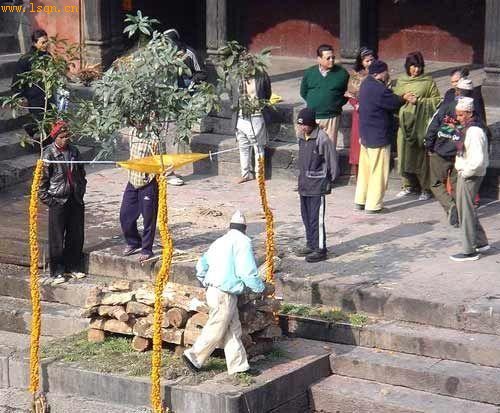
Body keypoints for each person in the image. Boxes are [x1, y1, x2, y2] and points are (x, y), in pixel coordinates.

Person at [183, 211, 264, 376]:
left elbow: (202, 265)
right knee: (217, 327)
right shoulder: (243, 242)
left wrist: (204, 280)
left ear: (230, 227)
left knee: (233, 329)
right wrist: (259, 288)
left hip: (215, 290)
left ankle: (239, 366)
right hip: (224, 293)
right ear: (245, 228)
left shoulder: (219, 241)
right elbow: (247, 272)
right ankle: (193, 356)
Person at [425, 77, 487, 226]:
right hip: (459, 154)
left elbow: (432, 127)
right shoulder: (474, 111)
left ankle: (451, 206)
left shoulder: (447, 106)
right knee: (455, 186)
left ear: (457, 91)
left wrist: (429, 145)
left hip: (441, 151)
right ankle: (459, 215)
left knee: (435, 183)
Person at [355, 60, 407, 213]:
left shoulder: (365, 84)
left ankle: (361, 200)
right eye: (386, 72)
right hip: (378, 136)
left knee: (365, 172)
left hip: (365, 134)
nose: (387, 74)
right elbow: (393, 102)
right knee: (378, 172)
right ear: (380, 73)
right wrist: (404, 97)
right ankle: (374, 205)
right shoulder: (379, 89)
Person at [39, 121, 87, 285]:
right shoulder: (49, 154)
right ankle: (57, 271)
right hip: (58, 199)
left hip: (75, 198)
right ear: (55, 138)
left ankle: (73, 266)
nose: (66, 139)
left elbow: (81, 173)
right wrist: (49, 200)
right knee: (57, 237)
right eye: (62, 136)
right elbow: (41, 181)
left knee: (76, 234)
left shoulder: (74, 151)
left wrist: (81, 189)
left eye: (67, 136)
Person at [393, 51, 441, 200]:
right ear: (407, 66)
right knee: (404, 156)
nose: (416, 69)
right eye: (413, 66)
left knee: (421, 158)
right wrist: (403, 97)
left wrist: (419, 101)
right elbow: (393, 100)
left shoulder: (428, 82)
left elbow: (437, 100)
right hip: (404, 125)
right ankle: (407, 186)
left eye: (419, 66)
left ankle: (425, 189)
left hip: (420, 126)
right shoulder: (401, 81)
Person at [295, 108, 338, 263]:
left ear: (312, 123)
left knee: (316, 219)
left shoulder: (322, 138)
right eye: (300, 125)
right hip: (304, 185)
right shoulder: (301, 137)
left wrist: (329, 181)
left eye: (305, 125)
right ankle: (311, 244)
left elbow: (332, 161)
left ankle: (320, 249)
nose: (302, 128)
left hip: (317, 185)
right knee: (306, 217)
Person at [449, 97, 489, 262]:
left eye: (461, 115)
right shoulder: (468, 129)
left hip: (470, 175)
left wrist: (465, 173)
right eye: (457, 114)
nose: (458, 118)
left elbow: (477, 160)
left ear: (469, 113)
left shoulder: (474, 132)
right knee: (466, 209)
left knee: (465, 212)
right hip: (468, 173)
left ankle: (469, 250)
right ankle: (481, 242)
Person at [119, 129, 165, 263]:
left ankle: (146, 249)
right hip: (133, 180)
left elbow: (160, 161)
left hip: (148, 182)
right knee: (125, 215)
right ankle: (133, 242)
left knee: (148, 218)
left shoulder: (155, 137)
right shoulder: (133, 132)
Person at [300, 44, 349, 148]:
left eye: (333, 57)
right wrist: (314, 103)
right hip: (313, 116)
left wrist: (336, 104)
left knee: (329, 147)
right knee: (313, 147)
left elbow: (347, 93)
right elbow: (303, 92)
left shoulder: (342, 74)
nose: (332, 60)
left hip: (332, 116)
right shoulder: (310, 73)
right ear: (319, 59)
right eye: (328, 58)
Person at [11, 29, 54, 145]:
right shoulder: (26, 59)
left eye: (47, 41)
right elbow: (17, 81)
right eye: (43, 42)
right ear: (35, 43)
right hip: (34, 97)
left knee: (49, 121)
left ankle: (43, 143)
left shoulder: (48, 56)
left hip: (47, 95)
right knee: (41, 123)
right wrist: (20, 97)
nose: (46, 44)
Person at [234, 68, 272, 183]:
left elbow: (267, 93)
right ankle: (245, 174)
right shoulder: (236, 76)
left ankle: (260, 174)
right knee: (243, 146)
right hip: (241, 117)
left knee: (258, 147)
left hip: (256, 116)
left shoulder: (261, 76)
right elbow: (233, 96)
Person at [345, 47, 377, 178]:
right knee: (358, 144)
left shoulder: (380, 73)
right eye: (367, 61)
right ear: (361, 62)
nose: (370, 63)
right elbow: (350, 95)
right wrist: (356, 105)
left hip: (375, 113)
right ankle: (358, 174)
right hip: (360, 113)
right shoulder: (355, 75)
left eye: (372, 60)